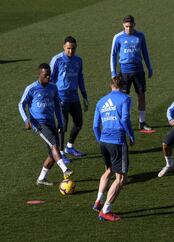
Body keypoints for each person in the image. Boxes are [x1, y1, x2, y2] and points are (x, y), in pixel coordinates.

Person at [18, 63, 73, 186]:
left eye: (49, 75)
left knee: (52, 154)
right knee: (54, 144)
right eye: (45, 75)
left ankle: (41, 179)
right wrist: (26, 120)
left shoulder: (53, 88)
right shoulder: (31, 88)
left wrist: (61, 122)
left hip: (51, 122)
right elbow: (21, 104)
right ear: (39, 75)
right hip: (39, 124)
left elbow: (58, 107)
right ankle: (65, 169)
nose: (48, 78)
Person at [92, 76, 135, 222]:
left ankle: (98, 201)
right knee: (121, 178)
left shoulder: (101, 101)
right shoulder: (125, 98)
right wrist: (131, 134)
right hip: (117, 141)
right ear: (123, 86)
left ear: (110, 85)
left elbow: (95, 126)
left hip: (104, 141)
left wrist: (100, 139)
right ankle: (106, 210)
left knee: (109, 170)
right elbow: (124, 119)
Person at [110, 14, 153, 131]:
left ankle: (142, 122)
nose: (129, 28)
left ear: (134, 25)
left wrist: (149, 67)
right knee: (122, 98)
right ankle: (122, 122)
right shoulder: (118, 37)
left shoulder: (140, 36)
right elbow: (113, 55)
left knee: (141, 96)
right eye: (127, 26)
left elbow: (145, 52)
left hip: (139, 71)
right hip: (124, 72)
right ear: (123, 25)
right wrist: (113, 72)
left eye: (131, 26)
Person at [50, 36, 88, 164]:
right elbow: (51, 79)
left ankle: (69, 147)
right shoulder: (57, 60)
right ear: (63, 47)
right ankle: (60, 153)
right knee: (62, 125)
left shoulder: (78, 60)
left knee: (78, 123)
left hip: (74, 96)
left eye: (73, 49)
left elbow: (80, 78)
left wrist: (84, 96)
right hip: (61, 96)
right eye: (68, 49)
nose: (71, 51)